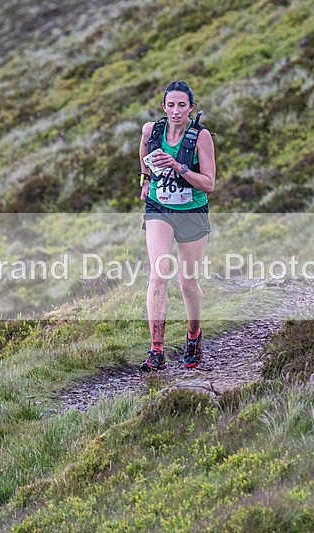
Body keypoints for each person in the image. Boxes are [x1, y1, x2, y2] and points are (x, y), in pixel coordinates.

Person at [138, 81, 216, 371]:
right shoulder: (152, 130)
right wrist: (145, 180)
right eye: (170, 105)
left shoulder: (201, 137)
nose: (176, 111)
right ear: (164, 107)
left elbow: (209, 183)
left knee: (187, 283)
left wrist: (179, 166)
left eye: (182, 105)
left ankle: (193, 337)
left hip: (193, 211)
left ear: (191, 107)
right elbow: (143, 151)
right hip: (159, 209)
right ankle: (156, 350)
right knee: (159, 275)